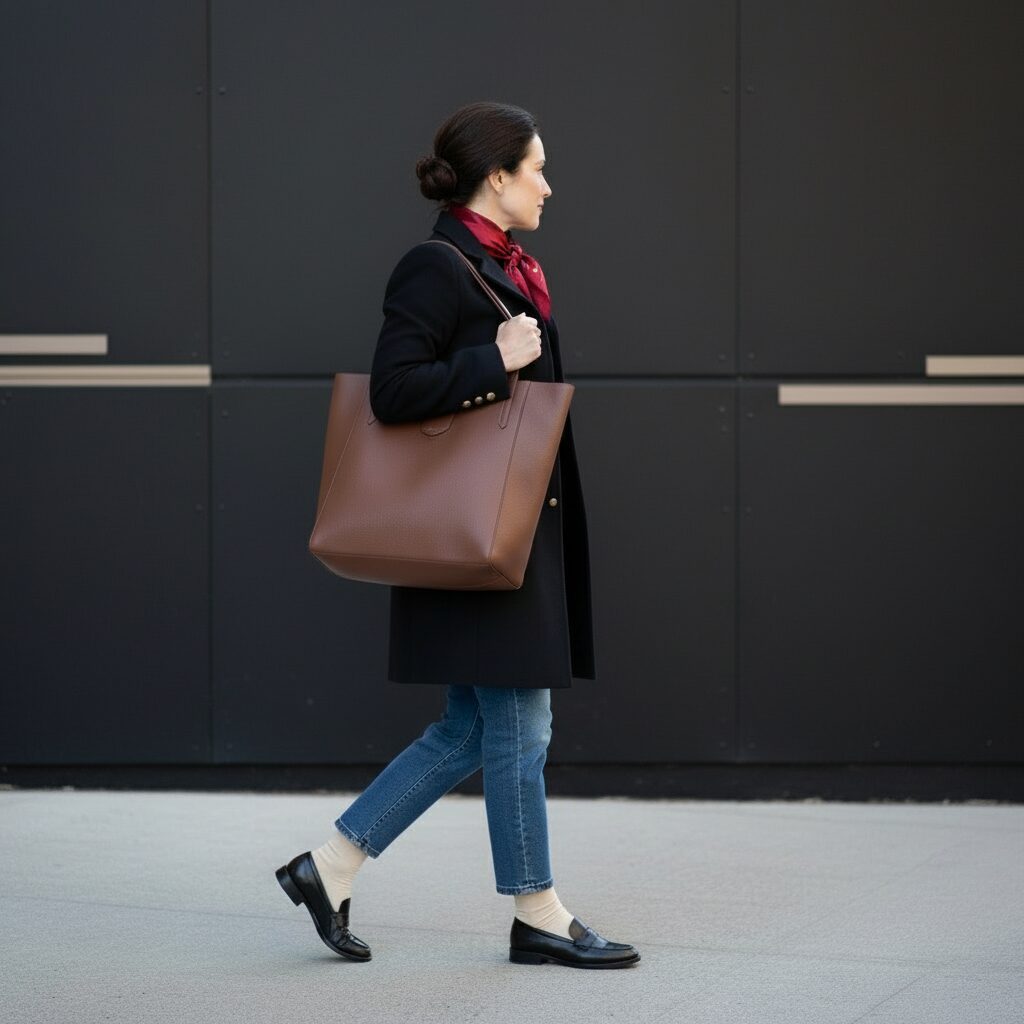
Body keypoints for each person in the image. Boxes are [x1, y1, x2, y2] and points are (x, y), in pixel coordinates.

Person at [275, 101, 640, 970]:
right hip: (477, 538)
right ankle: (538, 911)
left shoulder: (507, 265)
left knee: (470, 729)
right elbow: (394, 392)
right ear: (496, 176)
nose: (550, 185)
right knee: (521, 727)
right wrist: (495, 362)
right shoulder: (436, 267)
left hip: (513, 536)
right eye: (538, 168)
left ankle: (330, 865)